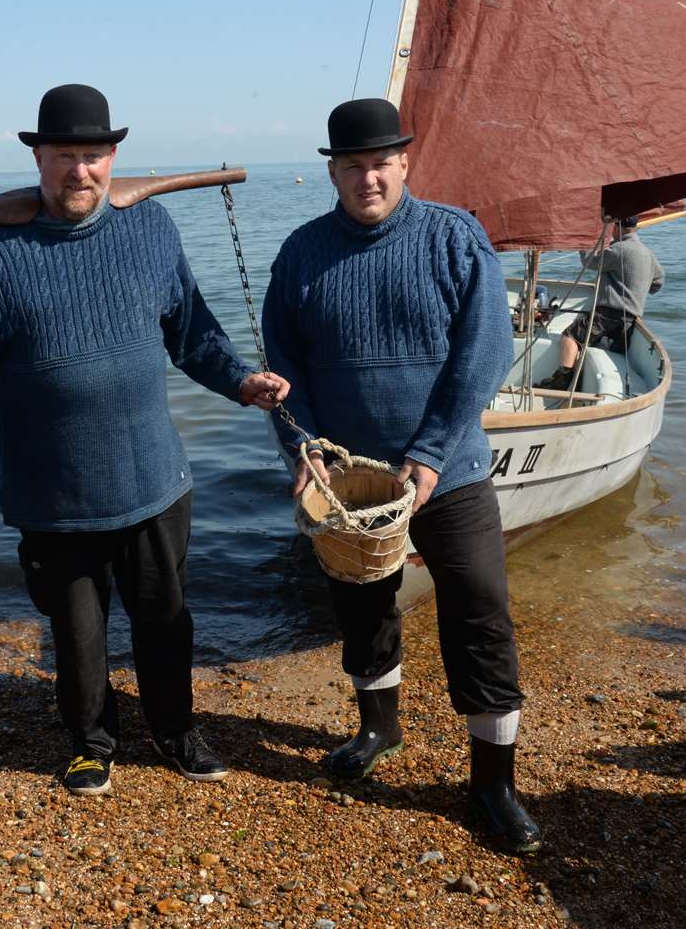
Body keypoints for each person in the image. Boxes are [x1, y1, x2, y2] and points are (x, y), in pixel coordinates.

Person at [0, 84, 289, 797]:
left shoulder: (151, 228)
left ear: (113, 156)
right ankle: (89, 743)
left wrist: (241, 384)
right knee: (77, 634)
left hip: (154, 480)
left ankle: (175, 731)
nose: (79, 171)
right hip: (51, 492)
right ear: (38, 157)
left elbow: (193, 334)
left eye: (92, 155)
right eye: (63, 155)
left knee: (166, 619)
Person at [261, 98, 541, 853]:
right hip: (349, 487)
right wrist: (306, 452)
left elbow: (481, 357)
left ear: (404, 162)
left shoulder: (456, 237)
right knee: (361, 608)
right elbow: (283, 364)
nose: (366, 178)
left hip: (449, 474)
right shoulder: (300, 253)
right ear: (332, 170)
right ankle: (378, 729)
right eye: (350, 165)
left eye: (379, 162)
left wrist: (426, 454)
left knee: (479, 608)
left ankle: (493, 781)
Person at [536, 215, 664, 390]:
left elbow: (590, 261)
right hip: (629, 321)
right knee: (599, 345)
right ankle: (576, 378)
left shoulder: (620, 249)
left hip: (607, 315)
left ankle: (562, 380)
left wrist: (583, 244)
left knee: (570, 336)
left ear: (617, 227)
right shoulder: (648, 253)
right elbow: (658, 283)